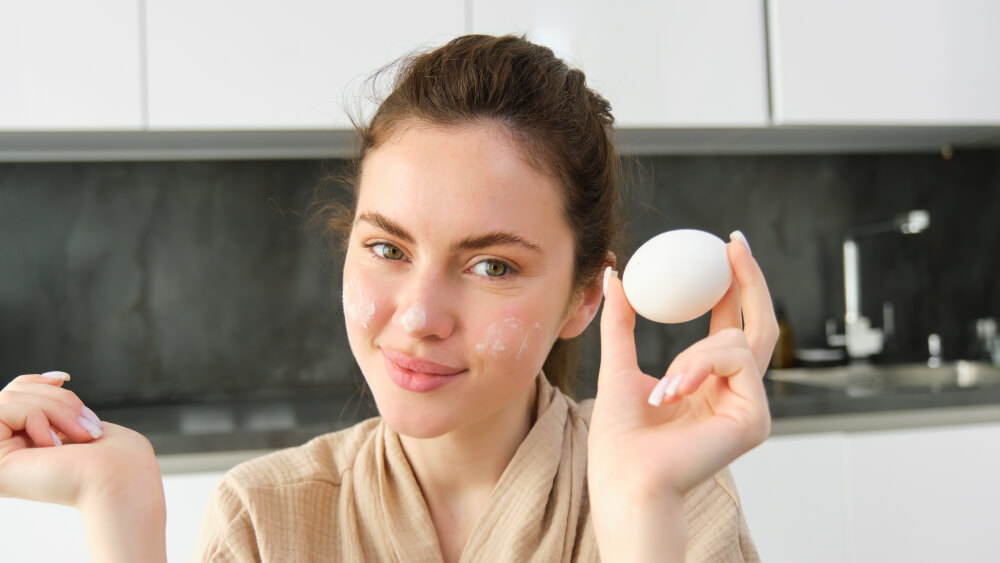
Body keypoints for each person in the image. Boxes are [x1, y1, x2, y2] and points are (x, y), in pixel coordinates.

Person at [0, 34, 776, 562]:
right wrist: (120, 505)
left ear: (584, 297)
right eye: (387, 248)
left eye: (492, 266)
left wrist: (641, 509)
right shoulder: (267, 519)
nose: (417, 317)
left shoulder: (678, 502)